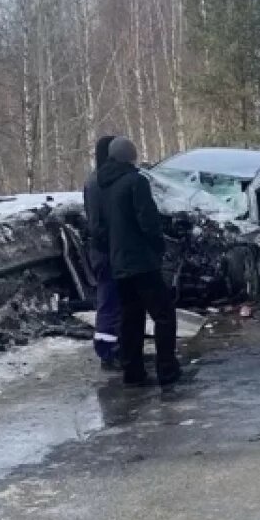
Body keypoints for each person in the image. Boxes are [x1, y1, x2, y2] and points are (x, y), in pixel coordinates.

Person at [92, 137, 181, 386]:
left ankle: (132, 371)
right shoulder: (135, 182)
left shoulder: (103, 185)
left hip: (119, 263)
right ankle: (167, 370)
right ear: (130, 157)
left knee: (130, 317)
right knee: (163, 315)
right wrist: (158, 247)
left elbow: (99, 228)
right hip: (142, 262)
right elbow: (148, 221)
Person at [82, 135, 121, 370]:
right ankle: (108, 348)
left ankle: (110, 346)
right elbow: (101, 223)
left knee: (109, 299)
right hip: (109, 251)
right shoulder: (104, 182)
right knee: (110, 300)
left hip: (101, 252)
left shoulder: (92, 181)